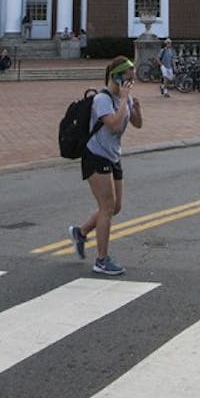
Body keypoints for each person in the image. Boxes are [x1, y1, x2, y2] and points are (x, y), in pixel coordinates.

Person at [67, 56, 142, 276]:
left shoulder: (124, 97)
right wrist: (124, 100)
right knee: (107, 208)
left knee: (115, 207)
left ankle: (80, 233)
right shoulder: (102, 99)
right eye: (128, 80)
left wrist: (136, 107)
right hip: (95, 155)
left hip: (113, 156)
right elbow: (113, 125)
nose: (130, 84)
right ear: (116, 77)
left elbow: (137, 124)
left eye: (132, 81)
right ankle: (101, 259)